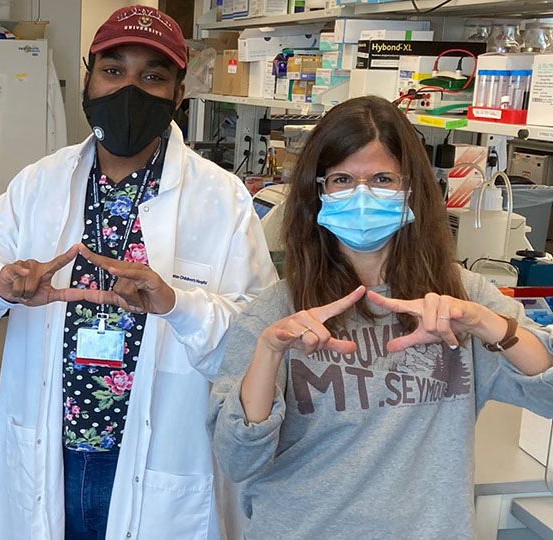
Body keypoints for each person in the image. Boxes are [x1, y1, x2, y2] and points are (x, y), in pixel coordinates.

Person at [0, 6, 276, 540]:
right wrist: (1, 282)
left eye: (153, 76)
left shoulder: (220, 199)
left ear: (177, 97)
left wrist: (178, 305)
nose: (129, 89)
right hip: (52, 446)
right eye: (113, 71)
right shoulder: (39, 184)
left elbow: (255, 338)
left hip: (154, 453)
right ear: (88, 79)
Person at [207, 96, 553, 539]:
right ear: (319, 193)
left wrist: (489, 325)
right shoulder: (275, 314)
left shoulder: (462, 300)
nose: (363, 195)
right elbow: (237, 461)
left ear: (413, 189)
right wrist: (269, 353)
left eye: (383, 178)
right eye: (342, 180)